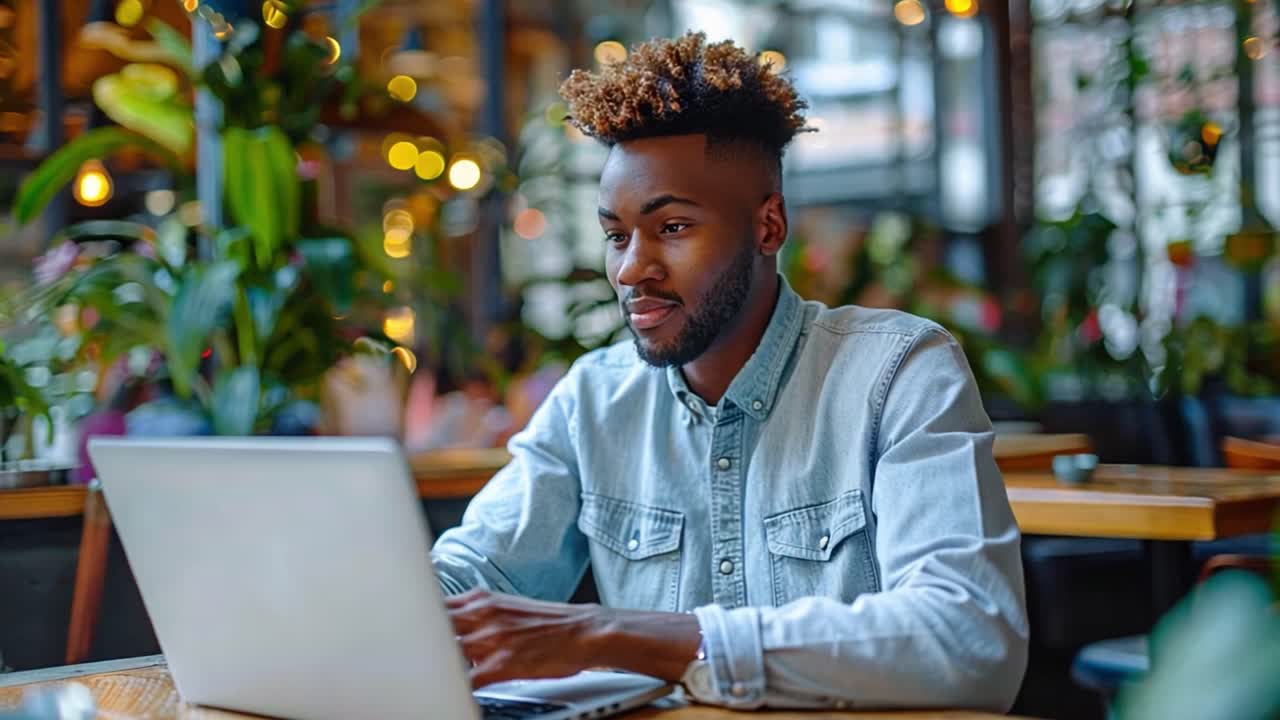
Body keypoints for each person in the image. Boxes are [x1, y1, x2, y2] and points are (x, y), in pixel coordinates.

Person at [432, 32, 1028, 711]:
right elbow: (470, 574)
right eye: (616, 235)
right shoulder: (594, 399)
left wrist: (626, 634)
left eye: (674, 227)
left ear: (768, 226)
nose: (631, 269)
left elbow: (969, 638)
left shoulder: (898, 374)